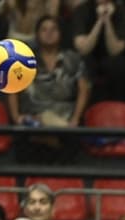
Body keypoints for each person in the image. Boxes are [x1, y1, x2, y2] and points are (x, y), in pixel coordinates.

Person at [7, 16, 89, 163]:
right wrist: (16, 117)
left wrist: (76, 118)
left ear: (61, 33)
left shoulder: (73, 59)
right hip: (33, 119)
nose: (49, 33)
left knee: (72, 138)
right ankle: (48, 139)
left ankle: (49, 138)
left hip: (64, 119)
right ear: (37, 34)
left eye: (53, 29)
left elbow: (83, 89)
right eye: (44, 30)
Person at [72, 0, 125, 103]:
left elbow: (115, 50)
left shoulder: (121, 11)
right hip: (89, 56)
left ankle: (117, 108)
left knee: (118, 64)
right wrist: (99, 21)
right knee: (83, 62)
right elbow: (83, 49)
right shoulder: (82, 10)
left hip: (111, 58)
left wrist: (107, 20)